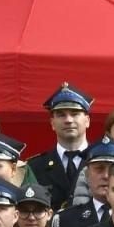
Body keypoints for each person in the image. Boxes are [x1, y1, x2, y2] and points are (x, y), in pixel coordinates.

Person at [27, 83, 95, 212]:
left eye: (75, 114)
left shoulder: (103, 161)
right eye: (61, 115)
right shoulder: (34, 166)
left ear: (87, 120)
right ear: (52, 123)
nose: (68, 120)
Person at [53, 139, 114, 227]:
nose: (105, 176)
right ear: (87, 175)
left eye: (112, 169)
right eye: (99, 169)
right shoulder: (65, 219)